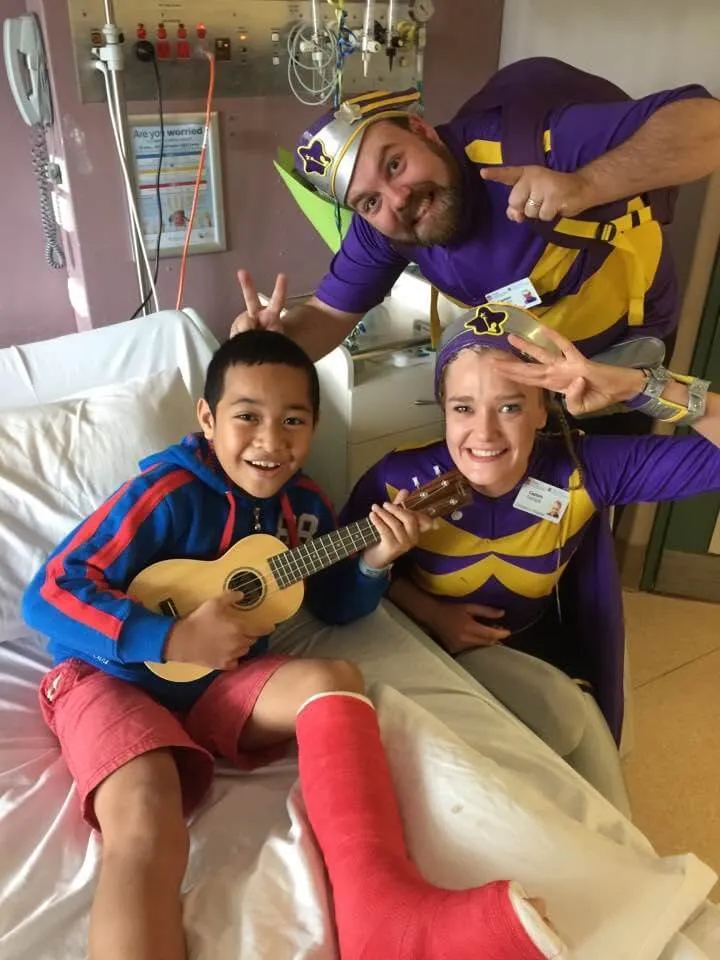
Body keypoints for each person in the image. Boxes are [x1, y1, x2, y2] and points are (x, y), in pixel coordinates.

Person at [21, 330, 564, 960]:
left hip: (215, 685)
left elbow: (332, 605)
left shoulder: (304, 505)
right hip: (107, 677)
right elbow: (49, 591)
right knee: (145, 811)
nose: (271, 441)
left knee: (331, 678)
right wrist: (171, 634)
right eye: (247, 416)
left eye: (293, 421)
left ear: (314, 427)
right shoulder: (166, 494)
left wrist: (375, 560)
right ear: (207, 417)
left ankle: (382, 908)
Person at [341, 308, 720, 812]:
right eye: (463, 408)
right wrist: (427, 609)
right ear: (442, 409)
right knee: (563, 718)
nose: (485, 434)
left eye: (511, 407)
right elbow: (338, 583)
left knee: (585, 745)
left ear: (545, 408)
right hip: (426, 658)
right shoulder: (397, 478)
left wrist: (631, 385)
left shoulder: (584, 467)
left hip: (535, 649)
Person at [231, 57, 720, 391]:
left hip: (624, 350)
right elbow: (324, 320)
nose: (397, 199)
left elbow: (707, 124)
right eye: (368, 200)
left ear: (422, 130)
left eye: (395, 164)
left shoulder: (531, 146)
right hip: (529, 371)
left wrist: (587, 184)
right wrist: (269, 341)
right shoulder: (383, 228)